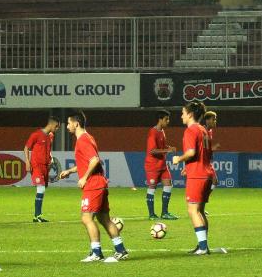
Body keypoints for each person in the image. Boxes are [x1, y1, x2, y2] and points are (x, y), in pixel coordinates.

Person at [58, 110, 129, 262]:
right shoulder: (88, 137)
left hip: (93, 185)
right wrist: (70, 171)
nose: (67, 126)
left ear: (76, 124)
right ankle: (121, 250)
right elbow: (87, 161)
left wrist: (84, 177)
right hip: (99, 183)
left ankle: (96, 252)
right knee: (105, 219)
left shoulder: (83, 140)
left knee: (86, 218)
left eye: (69, 123)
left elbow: (95, 160)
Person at [171, 102, 218, 255]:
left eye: (183, 112)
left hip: (197, 175)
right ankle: (203, 245)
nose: (181, 115)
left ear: (190, 114)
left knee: (192, 210)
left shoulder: (191, 130)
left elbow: (191, 152)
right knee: (201, 211)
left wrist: (179, 159)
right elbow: (206, 153)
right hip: (206, 173)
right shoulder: (203, 129)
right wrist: (188, 166)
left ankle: (203, 247)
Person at [24, 116, 60, 223]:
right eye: (57, 127)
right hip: (36, 165)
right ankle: (37, 216)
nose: (57, 129)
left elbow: (48, 151)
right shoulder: (36, 135)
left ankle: (37, 216)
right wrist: (27, 161)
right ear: (52, 125)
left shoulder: (50, 137)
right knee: (41, 189)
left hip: (45, 166)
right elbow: (26, 147)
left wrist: (51, 159)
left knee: (42, 190)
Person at [144, 110, 177, 221]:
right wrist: (167, 150)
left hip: (162, 165)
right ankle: (152, 214)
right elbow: (152, 151)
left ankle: (165, 213)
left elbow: (161, 146)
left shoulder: (162, 131)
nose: (168, 121)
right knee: (152, 187)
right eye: (166, 119)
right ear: (160, 119)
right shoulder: (152, 132)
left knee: (168, 184)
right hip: (153, 165)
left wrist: (169, 147)